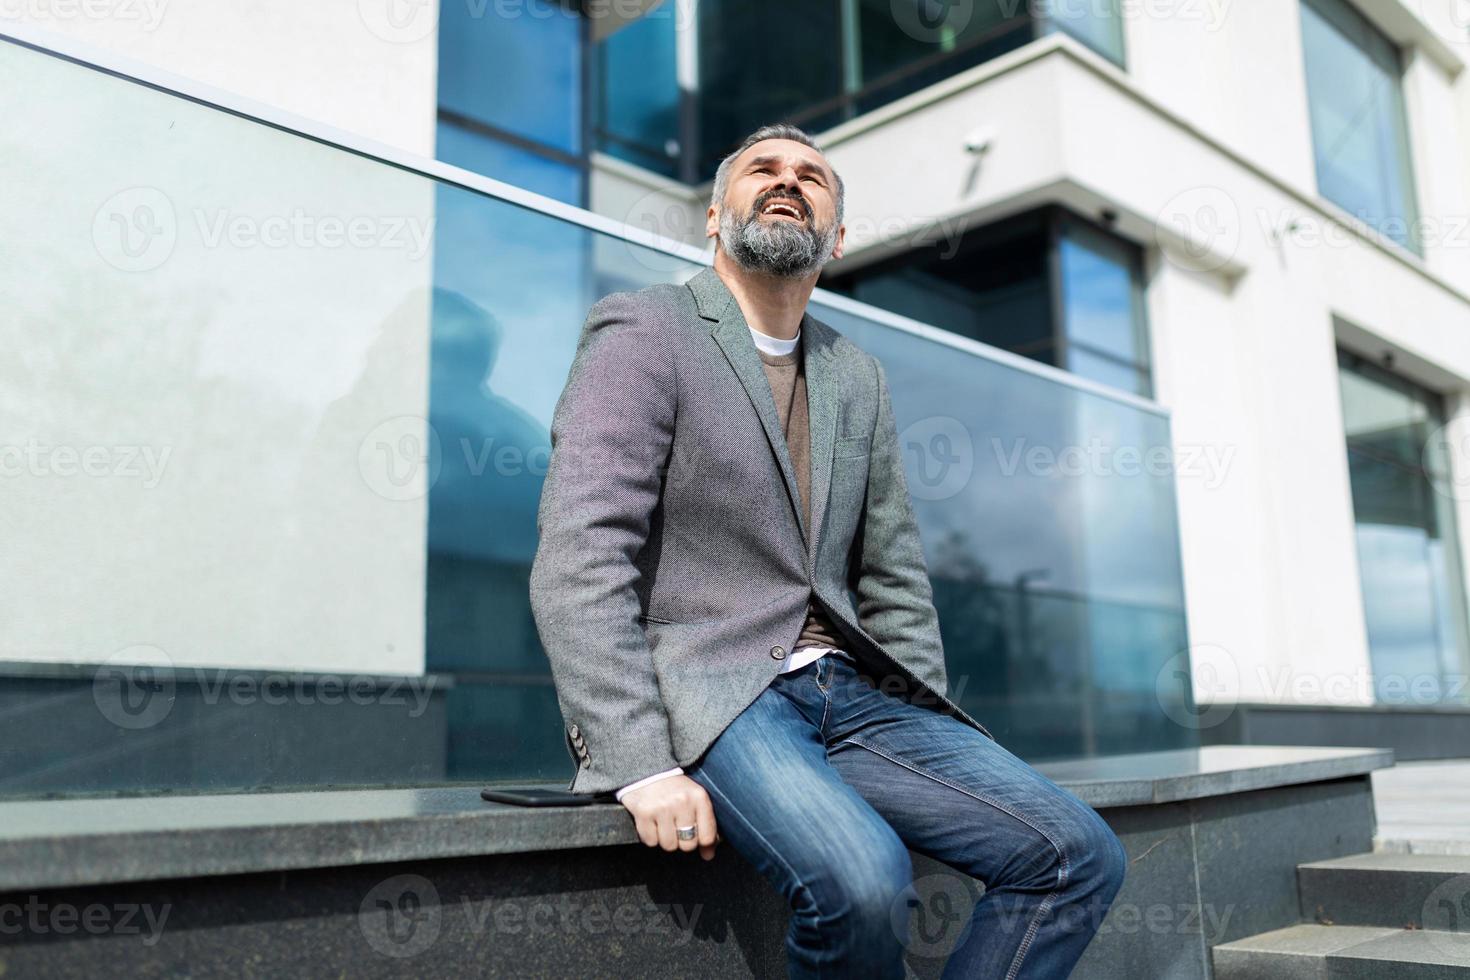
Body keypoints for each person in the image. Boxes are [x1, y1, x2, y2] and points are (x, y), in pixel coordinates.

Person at [529, 123, 1126, 978]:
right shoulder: (646, 328)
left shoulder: (857, 375)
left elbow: (892, 570)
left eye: (811, 176)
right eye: (762, 170)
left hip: (857, 694)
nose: (786, 180)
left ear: (835, 237)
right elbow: (583, 551)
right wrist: (637, 763)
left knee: (1077, 855)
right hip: (719, 693)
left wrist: (921, 713)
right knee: (865, 883)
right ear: (712, 217)